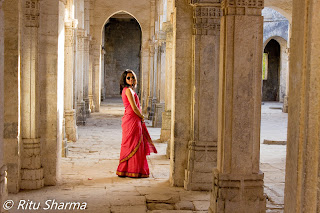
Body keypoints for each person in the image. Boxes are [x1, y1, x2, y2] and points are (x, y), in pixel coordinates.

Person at [116, 69, 157, 178]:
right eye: (128, 78)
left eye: (132, 77)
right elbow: (134, 107)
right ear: (124, 80)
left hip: (132, 118)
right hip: (132, 119)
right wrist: (142, 116)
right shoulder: (128, 90)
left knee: (135, 143)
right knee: (134, 143)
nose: (131, 79)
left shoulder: (129, 90)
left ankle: (130, 169)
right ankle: (132, 170)